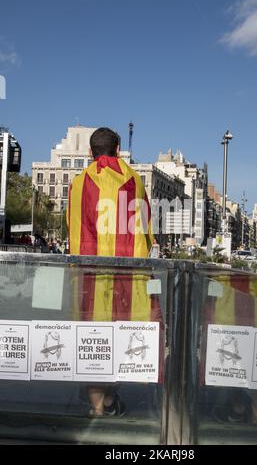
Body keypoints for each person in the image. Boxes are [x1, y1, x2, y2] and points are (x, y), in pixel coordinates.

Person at [67, 127, 154, 417]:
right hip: (127, 278)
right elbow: (146, 231)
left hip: (90, 278)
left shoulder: (79, 184)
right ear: (118, 150)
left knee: (93, 336)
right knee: (120, 335)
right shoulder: (135, 181)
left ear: (90, 153)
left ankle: (97, 408)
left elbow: (74, 228)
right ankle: (109, 399)